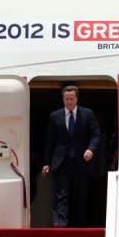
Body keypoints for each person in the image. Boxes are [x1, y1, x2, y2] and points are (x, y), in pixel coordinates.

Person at [42, 85, 100, 227]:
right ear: (63, 99)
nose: (69, 102)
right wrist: (46, 163)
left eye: (71, 99)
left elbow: (96, 135)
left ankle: (81, 225)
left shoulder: (88, 114)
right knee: (61, 194)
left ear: (77, 99)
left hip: (82, 162)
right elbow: (50, 141)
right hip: (62, 162)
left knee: (81, 194)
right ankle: (61, 224)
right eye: (66, 99)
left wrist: (90, 149)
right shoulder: (55, 116)